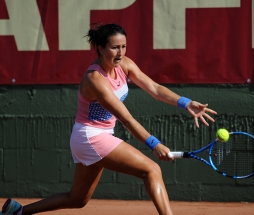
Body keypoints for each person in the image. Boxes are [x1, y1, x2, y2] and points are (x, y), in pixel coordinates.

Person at [0, 23, 217, 215]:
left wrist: (185, 102)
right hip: (91, 136)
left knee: (76, 200)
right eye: (114, 47)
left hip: (92, 136)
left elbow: (154, 88)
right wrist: (154, 144)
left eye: (123, 46)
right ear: (101, 48)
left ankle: (17, 212)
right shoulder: (95, 79)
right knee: (152, 169)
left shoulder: (124, 64)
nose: (120, 52)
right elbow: (126, 118)